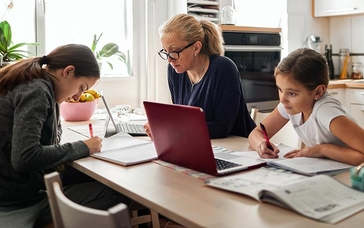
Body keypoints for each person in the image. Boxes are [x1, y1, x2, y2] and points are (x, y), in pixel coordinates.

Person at [0, 44, 133, 228]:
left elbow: (47, 140)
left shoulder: (39, 84)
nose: (78, 97)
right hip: (18, 200)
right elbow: (24, 157)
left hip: (17, 190)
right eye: (81, 87)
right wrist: (84, 147)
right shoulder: (37, 90)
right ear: (68, 71)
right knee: (122, 194)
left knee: (96, 179)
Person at [248, 47, 364, 166]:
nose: (282, 99)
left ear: (318, 92)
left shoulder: (326, 111)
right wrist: (261, 144)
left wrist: (322, 150)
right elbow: (256, 133)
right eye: (280, 89)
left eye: (292, 93)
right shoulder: (290, 105)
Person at [145, 13, 256, 139]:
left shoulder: (223, 68)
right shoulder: (175, 70)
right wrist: (162, 125)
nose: (169, 60)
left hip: (239, 147)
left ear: (196, 47)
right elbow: (181, 118)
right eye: (165, 52)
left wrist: (174, 128)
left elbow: (222, 128)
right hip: (200, 143)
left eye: (174, 52)